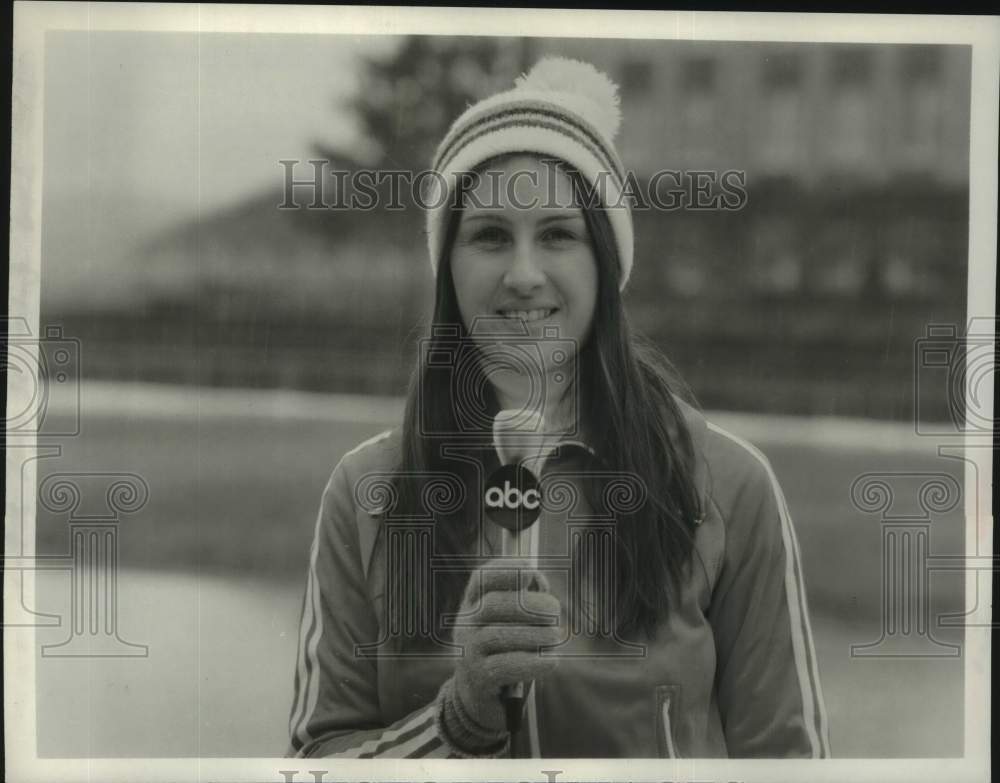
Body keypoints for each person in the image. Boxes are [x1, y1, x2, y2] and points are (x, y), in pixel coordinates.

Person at [286, 56, 831, 760]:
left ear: (605, 262)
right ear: (447, 265)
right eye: (488, 235)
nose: (522, 273)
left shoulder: (731, 483)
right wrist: (459, 720)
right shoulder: (365, 492)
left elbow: (790, 763)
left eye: (557, 233)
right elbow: (315, 759)